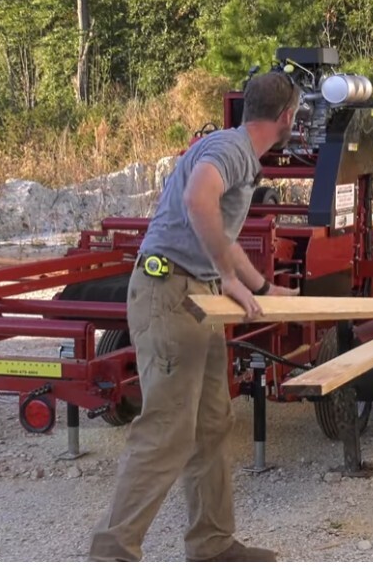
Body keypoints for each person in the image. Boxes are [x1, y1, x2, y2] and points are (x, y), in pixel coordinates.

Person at [90, 72, 300, 562]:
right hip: (170, 292)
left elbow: (219, 233)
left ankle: (213, 543)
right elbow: (196, 200)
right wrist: (229, 279)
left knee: (212, 423)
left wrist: (263, 287)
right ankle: (111, 552)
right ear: (286, 117)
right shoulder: (229, 151)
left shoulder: (239, 154)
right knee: (167, 428)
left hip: (198, 296)